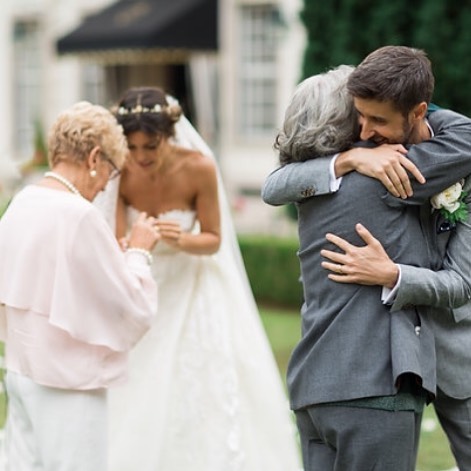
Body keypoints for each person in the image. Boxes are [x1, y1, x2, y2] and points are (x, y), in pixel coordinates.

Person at [262, 46, 471, 470]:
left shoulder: (330, 191)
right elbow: (274, 186)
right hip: (378, 379)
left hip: (326, 383)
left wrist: (394, 274)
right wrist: (350, 158)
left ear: (417, 113)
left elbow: (274, 185)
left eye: (377, 120)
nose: (366, 131)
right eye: (358, 118)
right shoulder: (377, 173)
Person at [98, 87, 302, 471]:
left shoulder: (199, 167)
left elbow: (214, 240)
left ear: (169, 134)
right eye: (134, 146)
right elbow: (113, 240)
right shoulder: (120, 167)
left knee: (202, 381)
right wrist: (133, 243)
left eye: (150, 146)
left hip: (193, 284)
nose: (141, 157)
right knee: (140, 380)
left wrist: (182, 238)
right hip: (146, 284)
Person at [0, 101, 160, 471]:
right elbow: (130, 306)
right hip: (67, 384)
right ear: (93, 157)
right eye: (110, 170)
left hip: (23, 374)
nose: (106, 184)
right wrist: (138, 252)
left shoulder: (23, 200)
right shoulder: (79, 215)